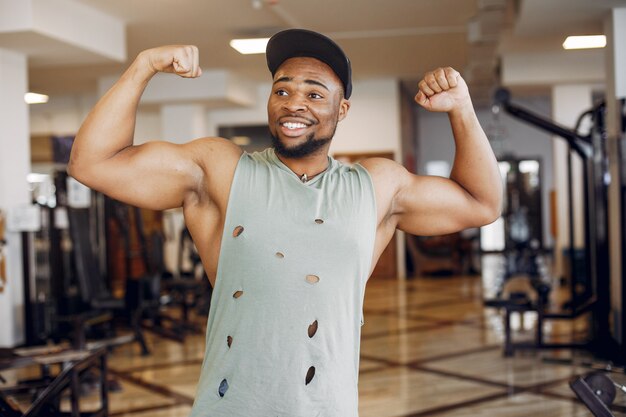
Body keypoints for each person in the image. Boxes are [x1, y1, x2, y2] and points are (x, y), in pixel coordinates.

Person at [69, 28, 502, 417]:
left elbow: (481, 203)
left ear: (342, 108)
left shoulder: (376, 185)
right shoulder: (220, 170)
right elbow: (92, 163)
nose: (294, 103)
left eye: (315, 93)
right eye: (282, 90)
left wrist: (461, 110)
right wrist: (142, 66)